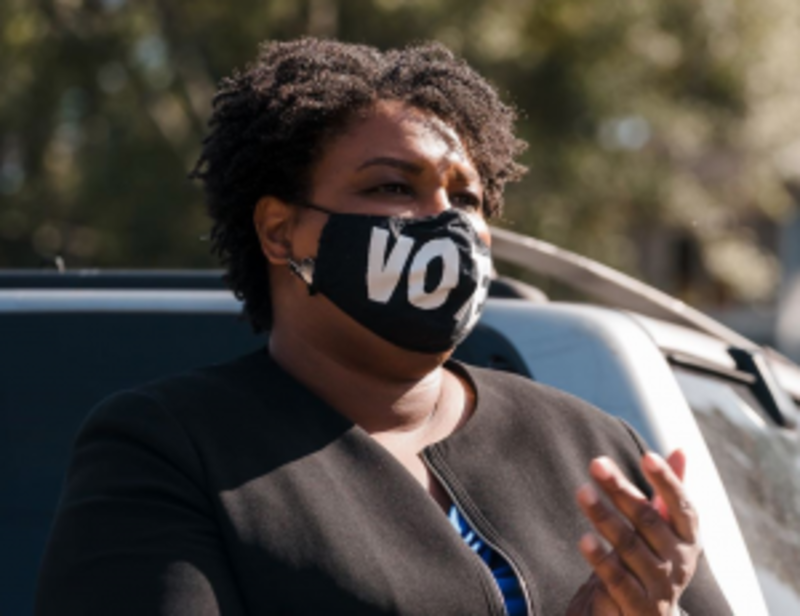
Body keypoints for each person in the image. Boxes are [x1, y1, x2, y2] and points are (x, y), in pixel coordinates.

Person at [35, 38, 731, 616]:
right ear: (280, 231)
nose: (445, 221)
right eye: (392, 187)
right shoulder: (172, 450)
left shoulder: (593, 446)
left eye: (466, 197)